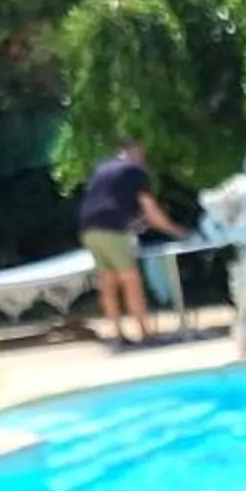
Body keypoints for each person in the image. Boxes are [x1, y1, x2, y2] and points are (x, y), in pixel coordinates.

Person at [78, 140, 190, 347]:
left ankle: (118, 337)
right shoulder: (135, 171)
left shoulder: (102, 169)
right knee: (131, 280)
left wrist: (133, 222)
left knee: (108, 282)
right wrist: (179, 231)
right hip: (111, 230)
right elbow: (152, 212)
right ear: (133, 152)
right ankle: (145, 334)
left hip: (88, 228)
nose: (143, 159)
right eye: (141, 154)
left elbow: (106, 201)